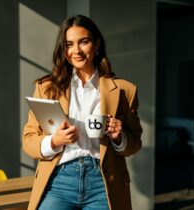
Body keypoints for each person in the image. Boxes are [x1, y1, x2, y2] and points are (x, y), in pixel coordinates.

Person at [22, 14, 143, 210]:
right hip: (58, 180)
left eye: (83, 42)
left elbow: (135, 143)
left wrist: (119, 137)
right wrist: (55, 141)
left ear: (96, 45)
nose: (76, 50)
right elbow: (28, 140)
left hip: (103, 182)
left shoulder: (124, 90)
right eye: (69, 44)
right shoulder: (46, 88)